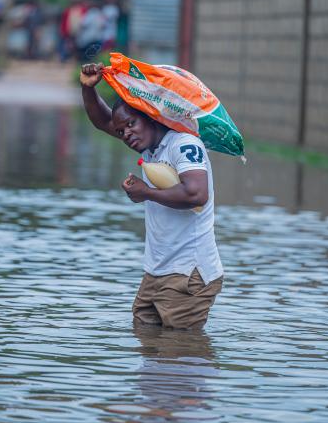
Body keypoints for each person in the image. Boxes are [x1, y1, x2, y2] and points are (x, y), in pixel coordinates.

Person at [80, 62, 224, 330]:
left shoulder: (184, 143)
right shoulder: (150, 148)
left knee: (181, 357)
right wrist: (88, 90)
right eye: (122, 132)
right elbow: (103, 121)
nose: (127, 134)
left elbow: (196, 193)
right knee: (149, 353)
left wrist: (146, 192)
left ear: (149, 115)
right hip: (157, 272)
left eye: (132, 124)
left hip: (188, 274)